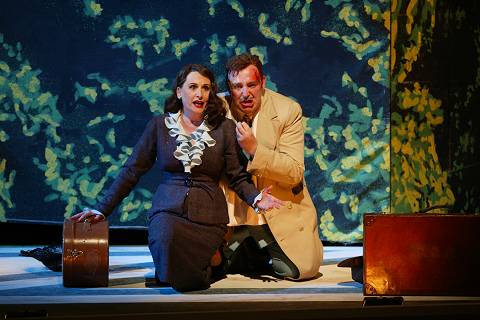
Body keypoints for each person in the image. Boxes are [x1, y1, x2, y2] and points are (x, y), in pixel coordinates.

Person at [70, 64, 283, 292]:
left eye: (205, 88)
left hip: (208, 215)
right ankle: (200, 264)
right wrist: (102, 210)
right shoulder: (159, 126)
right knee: (167, 239)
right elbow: (132, 170)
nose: (199, 94)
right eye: (192, 87)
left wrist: (257, 199)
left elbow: (237, 176)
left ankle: (215, 259)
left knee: (186, 282)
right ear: (180, 92)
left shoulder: (224, 128)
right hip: (167, 210)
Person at [220, 53, 323, 280]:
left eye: (251, 85)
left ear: (263, 83)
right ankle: (240, 242)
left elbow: (294, 170)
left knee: (299, 270)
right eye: (237, 87)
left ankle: (257, 241)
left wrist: (255, 149)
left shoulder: (287, 110)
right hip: (230, 211)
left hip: (273, 208)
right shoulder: (217, 108)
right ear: (229, 88)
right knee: (208, 270)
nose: (245, 93)